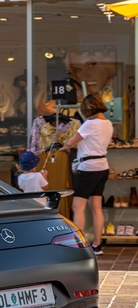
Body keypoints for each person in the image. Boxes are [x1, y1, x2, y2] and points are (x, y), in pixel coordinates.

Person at [60, 93, 114, 256]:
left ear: (88, 108)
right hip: (102, 166)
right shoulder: (108, 123)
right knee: (96, 207)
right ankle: (97, 245)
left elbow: (70, 142)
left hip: (88, 167)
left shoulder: (90, 124)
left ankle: (79, 244)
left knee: (78, 207)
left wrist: (65, 146)